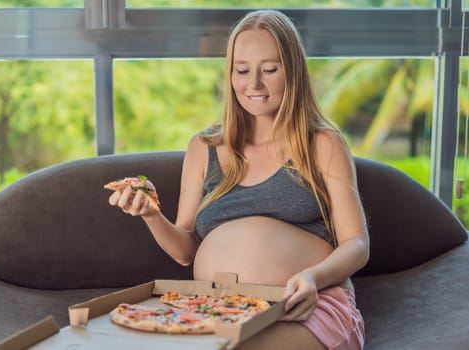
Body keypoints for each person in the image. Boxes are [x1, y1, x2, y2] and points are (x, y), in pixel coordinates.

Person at [109, 9, 369, 350]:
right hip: (219, 307)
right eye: (242, 70)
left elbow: (357, 244)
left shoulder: (322, 144)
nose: (254, 84)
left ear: (293, 70)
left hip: (305, 304)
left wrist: (312, 278)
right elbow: (185, 250)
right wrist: (150, 215)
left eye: (270, 69)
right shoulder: (204, 147)